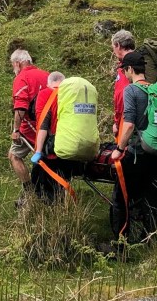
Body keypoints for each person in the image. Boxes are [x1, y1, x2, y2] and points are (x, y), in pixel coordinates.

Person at [112, 50, 157, 239]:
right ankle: (150, 240)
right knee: (151, 198)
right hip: (156, 153)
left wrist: (119, 149)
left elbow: (128, 124)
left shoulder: (131, 90)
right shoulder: (155, 89)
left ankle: (121, 245)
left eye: (124, 71)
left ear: (129, 69)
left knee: (121, 198)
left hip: (136, 153)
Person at [32, 73, 99, 201]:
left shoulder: (45, 94)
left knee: (45, 189)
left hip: (53, 152)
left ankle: (53, 215)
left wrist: (38, 150)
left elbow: (43, 125)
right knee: (62, 184)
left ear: (48, 83)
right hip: (75, 148)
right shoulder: (72, 95)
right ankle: (64, 209)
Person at [8, 49, 49, 192]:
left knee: (14, 156)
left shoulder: (21, 78)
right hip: (50, 126)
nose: (13, 68)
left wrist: (16, 130)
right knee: (46, 158)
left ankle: (28, 190)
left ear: (18, 63)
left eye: (13, 64)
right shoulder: (46, 75)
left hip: (31, 127)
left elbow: (20, 107)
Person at [110, 30, 136, 139]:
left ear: (118, 45)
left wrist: (116, 122)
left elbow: (121, 96)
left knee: (122, 152)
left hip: (127, 119)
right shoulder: (140, 59)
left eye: (113, 48)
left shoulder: (127, 66)